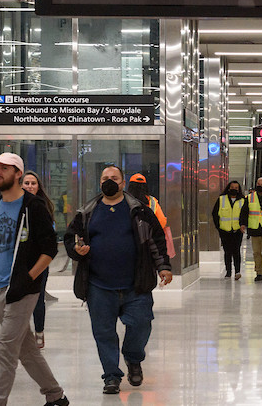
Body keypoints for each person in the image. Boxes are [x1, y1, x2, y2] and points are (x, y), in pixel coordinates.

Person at [65, 166, 173, 395]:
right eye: (105, 178)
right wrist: (76, 249)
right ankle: (111, 376)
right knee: (103, 333)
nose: (109, 181)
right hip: (98, 286)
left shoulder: (140, 211)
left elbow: (156, 239)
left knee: (141, 324)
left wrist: (163, 266)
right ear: (100, 182)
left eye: (114, 178)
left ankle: (133, 358)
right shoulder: (87, 212)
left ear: (123, 183)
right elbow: (71, 239)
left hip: (136, 284)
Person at [0, 152, 69, 406]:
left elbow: (49, 249)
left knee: (5, 349)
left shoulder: (33, 207)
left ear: (18, 174)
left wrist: (27, 279)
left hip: (21, 290)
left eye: (4, 168)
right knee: (26, 349)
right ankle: (55, 395)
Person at [22, 171, 54, 349]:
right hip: (21, 261)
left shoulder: (43, 207)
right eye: (26, 183)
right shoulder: (15, 205)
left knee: (38, 297)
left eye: (33, 183)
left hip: (40, 261)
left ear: (38, 186)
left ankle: (39, 332)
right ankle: (23, 334)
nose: (29, 186)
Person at [211, 180, 247, 280]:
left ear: (239, 189)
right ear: (228, 188)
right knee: (227, 251)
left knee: (236, 250)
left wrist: (243, 225)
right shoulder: (221, 199)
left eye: (236, 188)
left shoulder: (243, 200)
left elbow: (245, 214)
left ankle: (237, 271)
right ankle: (228, 272)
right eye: (232, 187)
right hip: (224, 230)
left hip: (237, 230)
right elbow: (215, 213)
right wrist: (218, 227)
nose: (234, 189)